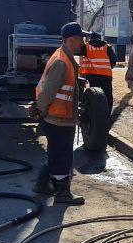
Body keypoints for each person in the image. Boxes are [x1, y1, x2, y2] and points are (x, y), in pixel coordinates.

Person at [31, 21, 86, 205]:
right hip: (58, 118)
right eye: (80, 39)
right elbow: (48, 92)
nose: (82, 43)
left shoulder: (63, 57)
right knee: (62, 157)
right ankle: (62, 193)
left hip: (59, 116)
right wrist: (41, 111)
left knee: (56, 153)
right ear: (71, 40)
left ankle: (42, 185)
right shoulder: (62, 62)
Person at [78, 30, 116, 118]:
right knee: (108, 96)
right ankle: (107, 115)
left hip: (92, 76)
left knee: (94, 96)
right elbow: (113, 61)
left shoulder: (87, 47)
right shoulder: (107, 47)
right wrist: (107, 67)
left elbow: (76, 51)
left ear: (91, 38)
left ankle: (95, 115)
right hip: (106, 76)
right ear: (100, 38)